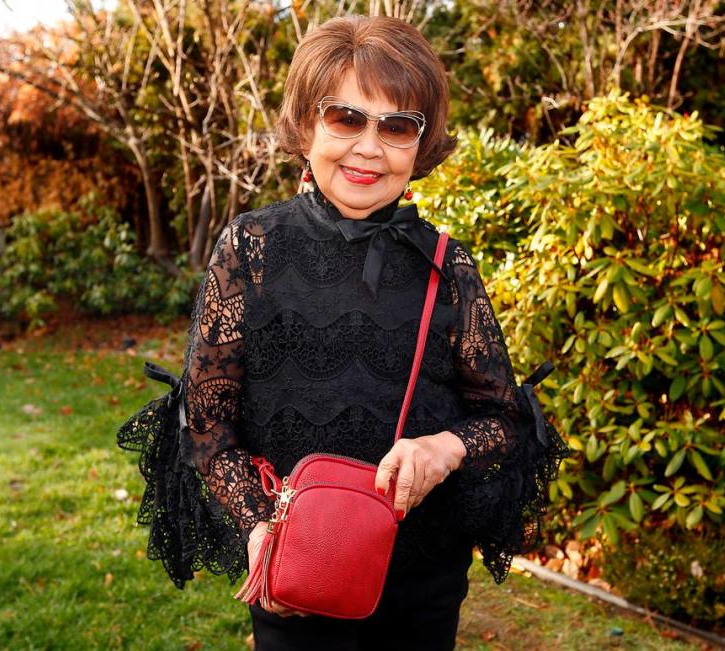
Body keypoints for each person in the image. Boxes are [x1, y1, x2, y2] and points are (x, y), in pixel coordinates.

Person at [159, 15, 567, 651]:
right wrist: (257, 528)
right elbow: (208, 420)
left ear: (419, 146)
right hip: (297, 580)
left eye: (397, 126)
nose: (370, 147)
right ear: (305, 125)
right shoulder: (252, 248)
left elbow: (507, 420)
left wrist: (443, 450)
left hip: (421, 584)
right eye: (346, 118)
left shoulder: (446, 265)